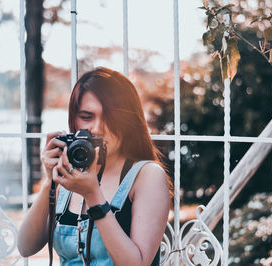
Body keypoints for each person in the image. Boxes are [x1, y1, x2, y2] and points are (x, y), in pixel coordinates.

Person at [18, 67, 171, 265]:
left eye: (110, 117)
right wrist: (51, 181)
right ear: (73, 119)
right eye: (87, 117)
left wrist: (93, 196)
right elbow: (25, 246)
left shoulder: (146, 175)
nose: (97, 128)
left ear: (128, 121)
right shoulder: (68, 174)